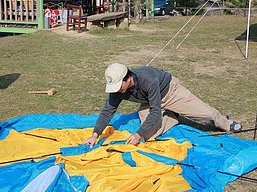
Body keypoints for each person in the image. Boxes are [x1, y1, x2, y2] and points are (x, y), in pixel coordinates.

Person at [83, 63, 238, 147]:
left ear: (127, 78)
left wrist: (138, 134)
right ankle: (172, 117)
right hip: (149, 102)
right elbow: (107, 111)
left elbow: (155, 111)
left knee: (206, 114)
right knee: (149, 134)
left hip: (171, 92)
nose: (117, 91)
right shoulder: (118, 90)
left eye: (118, 86)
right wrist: (95, 134)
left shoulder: (148, 79)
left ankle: (227, 124)